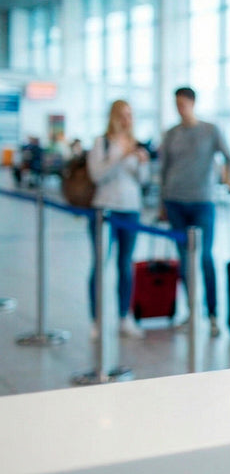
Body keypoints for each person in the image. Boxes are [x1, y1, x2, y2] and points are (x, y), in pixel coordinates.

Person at [159, 86, 230, 337]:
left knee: (205, 258)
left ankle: (213, 314)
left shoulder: (210, 131)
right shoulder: (171, 134)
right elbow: (163, 169)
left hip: (202, 201)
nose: (179, 109)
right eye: (176, 105)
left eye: (183, 104)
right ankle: (192, 311)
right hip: (174, 201)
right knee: (184, 260)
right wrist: (162, 201)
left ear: (193, 103)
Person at [87, 100, 150, 339]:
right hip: (105, 210)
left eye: (130, 114)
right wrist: (121, 157)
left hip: (130, 209)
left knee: (125, 265)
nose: (127, 119)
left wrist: (142, 164)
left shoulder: (135, 144)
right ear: (114, 116)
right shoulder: (101, 143)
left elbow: (142, 181)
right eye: (123, 115)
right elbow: (97, 176)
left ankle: (125, 316)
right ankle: (96, 320)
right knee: (99, 265)